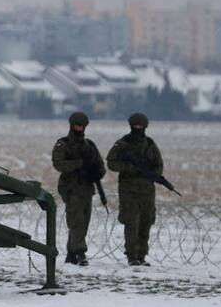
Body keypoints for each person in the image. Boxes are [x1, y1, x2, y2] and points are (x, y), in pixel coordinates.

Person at [107, 112, 163, 266]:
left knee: (146, 222)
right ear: (131, 126)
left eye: (141, 126)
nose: (138, 128)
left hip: (147, 190)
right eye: (136, 126)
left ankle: (142, 255)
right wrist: (129, 168)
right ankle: (132, 256)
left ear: (145, 126)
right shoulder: (123, 143)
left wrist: (153, 174)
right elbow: (111, 162)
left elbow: (159, 164)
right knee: (131, 223)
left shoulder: (150, 144)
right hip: (128, 190)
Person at [50, 110, 105, 266]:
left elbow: (100, 165)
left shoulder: (90, 146)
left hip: (87, 188)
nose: (79, 128)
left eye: (82, 126)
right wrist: (78, 164)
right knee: (76, 221)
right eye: (77, 125)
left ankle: (71, 253)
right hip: (71, 187)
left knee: (84, 221)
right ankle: (80, 253)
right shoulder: (63, 144)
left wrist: (96, 173)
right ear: (72, 125)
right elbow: (58, 163)